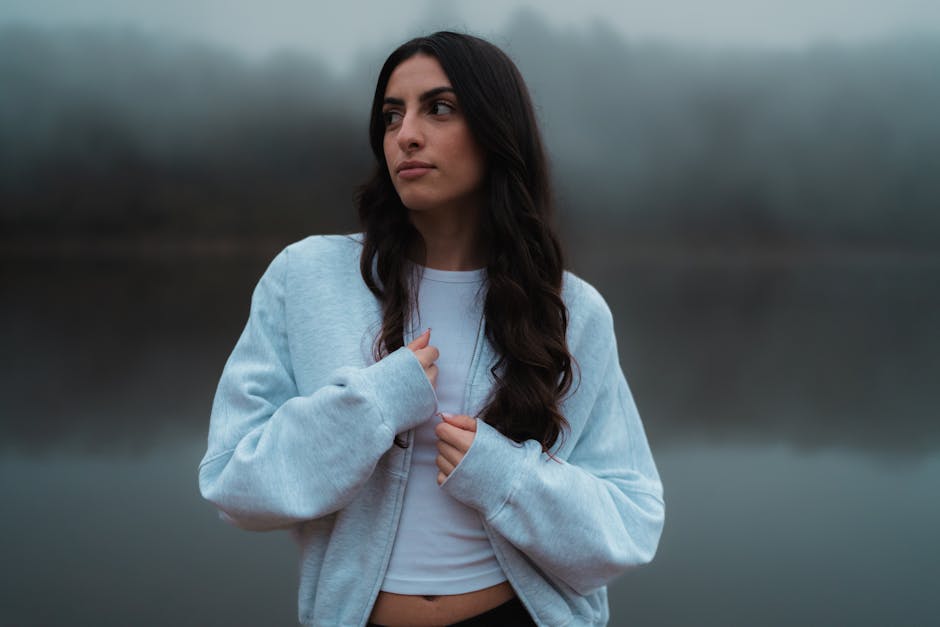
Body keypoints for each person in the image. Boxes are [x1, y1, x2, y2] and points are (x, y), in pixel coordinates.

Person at [198, 31, 664, 627]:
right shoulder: (306, 278)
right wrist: (371, 407)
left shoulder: (571, 311)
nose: (406, 135)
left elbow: (630, 525)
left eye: (438, 108)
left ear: (497, 133)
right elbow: (234, 486)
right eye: (392, 115)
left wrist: (503, 475)